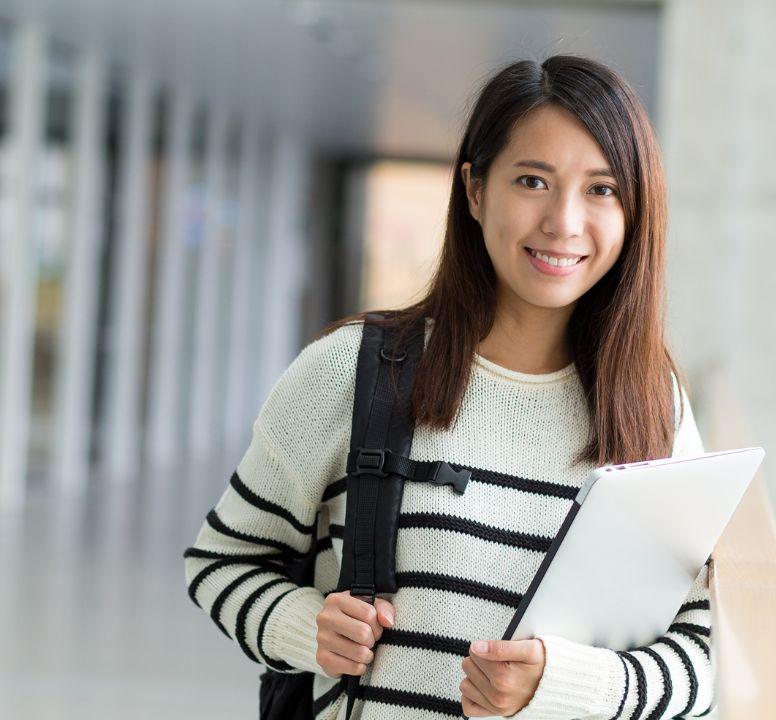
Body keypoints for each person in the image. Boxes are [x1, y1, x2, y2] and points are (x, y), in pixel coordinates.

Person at [183, 54, 716, 720]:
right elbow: (221, 561)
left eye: (602, 189)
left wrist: (566, 683)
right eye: (532, 180)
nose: (564, 221)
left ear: (637, 209)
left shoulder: (653, 407)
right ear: (474, 190)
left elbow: (703, 654)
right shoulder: (352, 370)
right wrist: (303, 626)